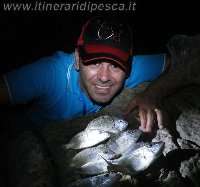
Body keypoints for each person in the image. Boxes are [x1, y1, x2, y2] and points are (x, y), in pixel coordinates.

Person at [0, 15, 192, 135]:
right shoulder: (49, 73)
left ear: (129, 67)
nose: (104, 76)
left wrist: (153, 94)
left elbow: (184, 60)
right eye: (94, 62)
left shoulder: (130, 69)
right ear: (77, 59)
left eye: (115, 65)